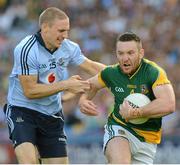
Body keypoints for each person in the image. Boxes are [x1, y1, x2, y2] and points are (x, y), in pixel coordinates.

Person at [3, 7, 106, 164]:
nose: (64, 35)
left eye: (67, 30)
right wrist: (66, 85)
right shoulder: (26, 49)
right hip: (23, 112)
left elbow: (91, 66)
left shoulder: (68, 47)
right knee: (29, 162)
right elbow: (30, 91)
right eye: (61, 30)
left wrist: (122, 75)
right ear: (45, 27)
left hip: (52, 114)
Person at [78, 32, 176, 164]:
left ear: (141, 53)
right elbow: (91, 85)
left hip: (147, 141)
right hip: (119, 128)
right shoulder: (111, 72)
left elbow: (168, 104)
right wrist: (83, 100)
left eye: (130, 53)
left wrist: (136, 113)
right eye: (121, 53)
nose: (125, 58)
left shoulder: (153, 72)